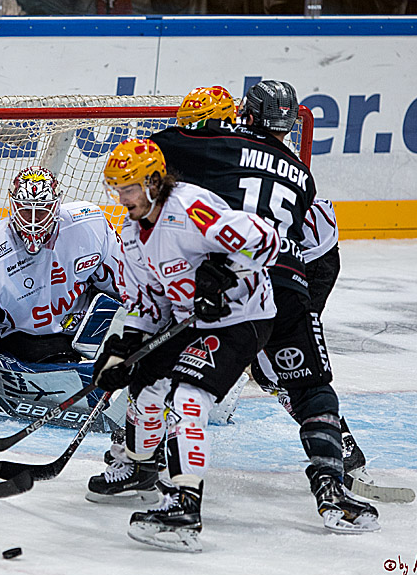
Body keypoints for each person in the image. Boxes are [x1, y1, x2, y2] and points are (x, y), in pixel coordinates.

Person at [146, 83, 379, 533]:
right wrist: (300, 317)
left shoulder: (221, 145)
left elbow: (158, 150)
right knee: (311, 386)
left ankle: (172, 486)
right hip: (292, 286)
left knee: (185, 384)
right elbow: (323, 257)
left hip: (236, 283)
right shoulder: (301, 174)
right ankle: (332, 487)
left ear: (246, 117)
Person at [89, 138, 281, 552]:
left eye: (130, 188)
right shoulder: (132, 232)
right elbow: (148, 301)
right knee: (145, 385)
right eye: (118, 189)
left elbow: (268, 240)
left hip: (243, 318)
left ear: (155, 181)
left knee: (188, 398)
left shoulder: (190, 207)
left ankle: (183, 506)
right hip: (189, 323)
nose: (123, 198)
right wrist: (124, 347)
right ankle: (141, 466)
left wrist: (224, 268)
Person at [0, 166, 122, 364]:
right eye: (25, 210)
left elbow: (130, 281)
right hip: (26, 336)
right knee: (55, 359)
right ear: (13, 207)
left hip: (85, 325)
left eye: (41, 210)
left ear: (56, 206)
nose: (33, 220)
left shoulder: (89, 226)